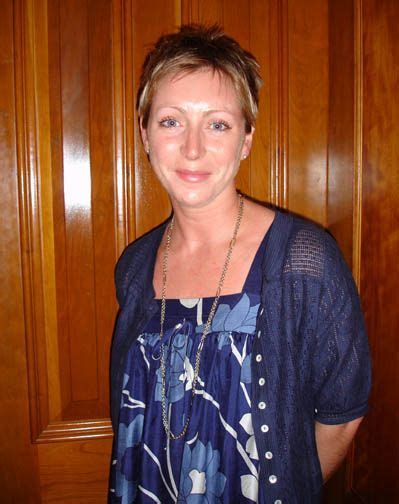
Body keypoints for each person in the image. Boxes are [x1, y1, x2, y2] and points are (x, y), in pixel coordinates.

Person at [108, 24, 371, 504]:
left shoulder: (303, 262)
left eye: (218, 124)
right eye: (170, 121)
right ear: (144, 133)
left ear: (246, 139)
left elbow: (342, 414)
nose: (192, 147)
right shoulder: (135, 267)